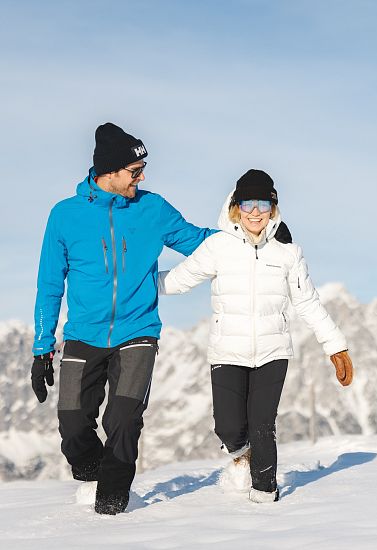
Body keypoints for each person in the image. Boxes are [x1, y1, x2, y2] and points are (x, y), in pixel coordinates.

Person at [31, 123, 216, 515]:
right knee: (73, 424)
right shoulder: (65, 216)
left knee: (124, 419)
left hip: (138, 332)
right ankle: (95, 477)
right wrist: (42, 347)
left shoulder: (153, 208)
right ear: (109, 172)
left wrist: (252, 232)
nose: (142, 176)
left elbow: (198, 240)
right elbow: (49, 284)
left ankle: (112, 506)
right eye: (135, 170)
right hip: (83, 334)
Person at [159, 169, 354, 503]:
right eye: (247, 202)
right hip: (226, 352)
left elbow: (307, 302)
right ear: (236, 206)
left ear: (272, 208)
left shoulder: (287, 252)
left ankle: (265, 495)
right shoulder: (218, 246)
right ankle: (241, 454)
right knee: (229, 428)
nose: (254, 211)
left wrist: (335, 346)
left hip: (272, 351)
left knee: (263, 425)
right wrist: (129, 283)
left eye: (262, 203)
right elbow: (178, 280)